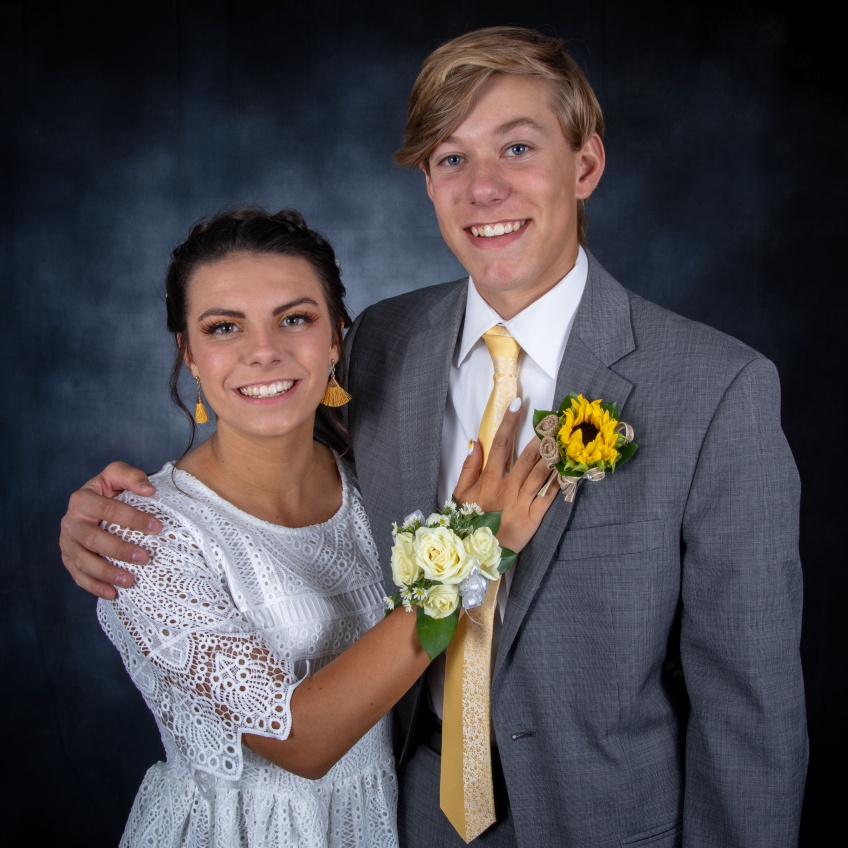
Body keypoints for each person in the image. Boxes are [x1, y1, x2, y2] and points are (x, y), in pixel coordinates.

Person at [60, 26, 807, 848]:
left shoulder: (716, 389)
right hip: (407, 816)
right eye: (452, 158)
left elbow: (750, 708)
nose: (484, 188)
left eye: (517, 148)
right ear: (427, 182)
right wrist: (97, 518)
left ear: (586, 165)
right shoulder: (385, 343)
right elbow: (264, 459)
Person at [85, 205, 556, 847]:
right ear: (188, 354)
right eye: (224, 327)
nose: (263, 351)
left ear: (336, 337)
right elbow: (300, 741)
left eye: (294, 319)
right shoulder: (144, 536)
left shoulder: (375, 481)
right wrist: (474, 550)